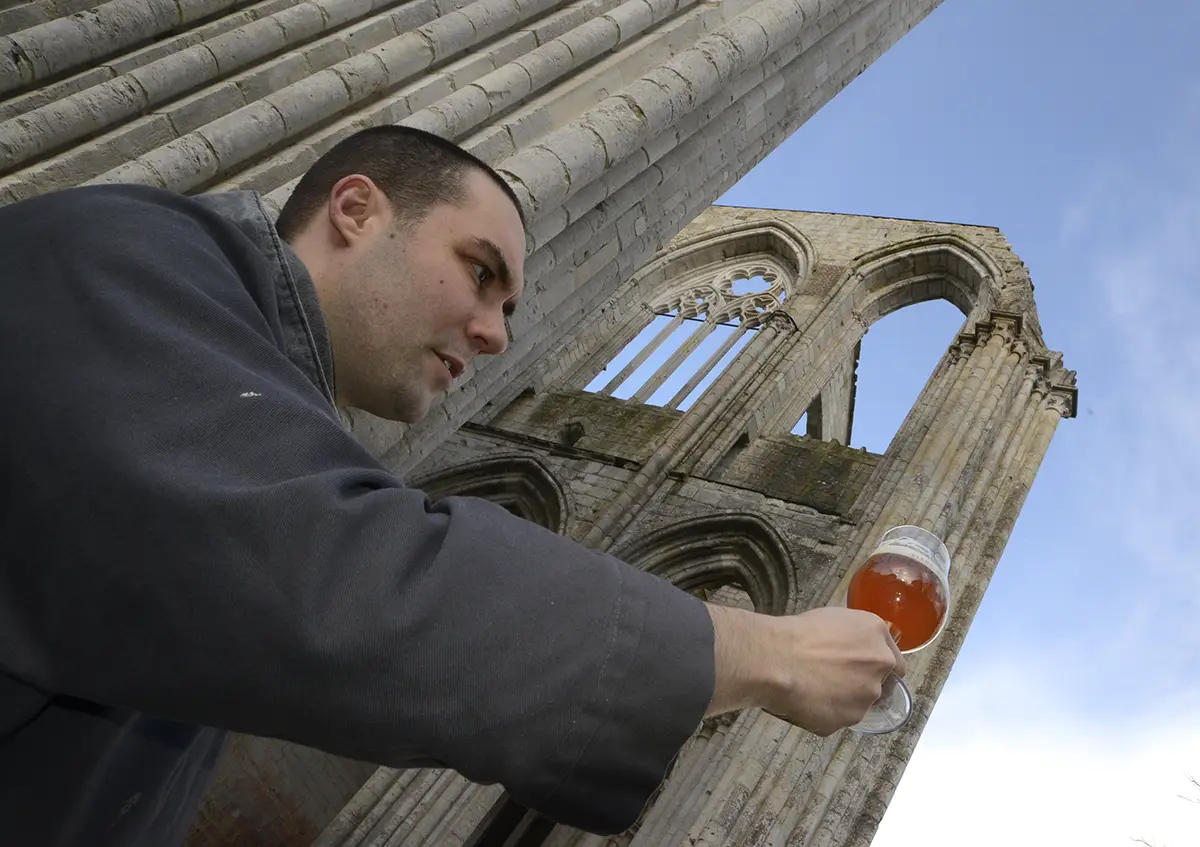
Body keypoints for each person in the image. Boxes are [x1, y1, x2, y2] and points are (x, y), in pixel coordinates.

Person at [0, 126, 905, 846]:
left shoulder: (237, 378)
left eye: (510, 308)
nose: (497, 335)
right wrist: (765, 654)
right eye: (480, 273)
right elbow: (353, 589)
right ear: (355, 210)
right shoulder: (117, 261)